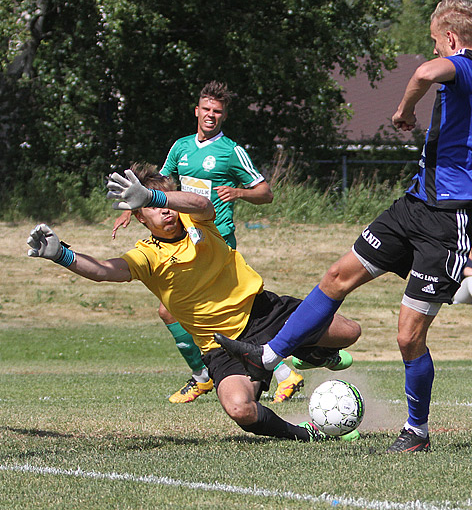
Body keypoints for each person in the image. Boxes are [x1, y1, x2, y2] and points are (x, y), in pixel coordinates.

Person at [214, 0, 472, 453]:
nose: (432, 53)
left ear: (450, 39)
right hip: (411, 207)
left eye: (435, 43)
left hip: (448, 223)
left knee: (409, 336)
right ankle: (267, 356)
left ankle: (416, 433)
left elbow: (428, 73)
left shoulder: (463, 65)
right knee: (336, 276)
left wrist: (405, 111)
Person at [26, 165, 360, 442]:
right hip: (222, 347)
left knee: (349, 332)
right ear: (141, 219)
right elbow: (102, 271)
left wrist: (152, 194)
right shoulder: (146, 256)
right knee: (240, 409)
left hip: (264, 312)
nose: (164, 211)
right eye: (153, 208)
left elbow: (199, 203)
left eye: (164, 202)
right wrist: (61, 254)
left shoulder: (196, 220)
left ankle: (305, 353)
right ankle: (305, 435)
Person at [112, 82, 303, 405]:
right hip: (182, 236)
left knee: (194, 313)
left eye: (218, 111)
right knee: (174, 312)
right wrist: (134, 210)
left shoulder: (231, 151)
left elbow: (265, 193)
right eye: (207, 109)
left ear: (224, 115)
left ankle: (255, 370)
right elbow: (158, 186)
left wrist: (240, 192)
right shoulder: (180, 147)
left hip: (215, 237)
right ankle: (223, 372)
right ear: (197, 111)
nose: (211, 116)